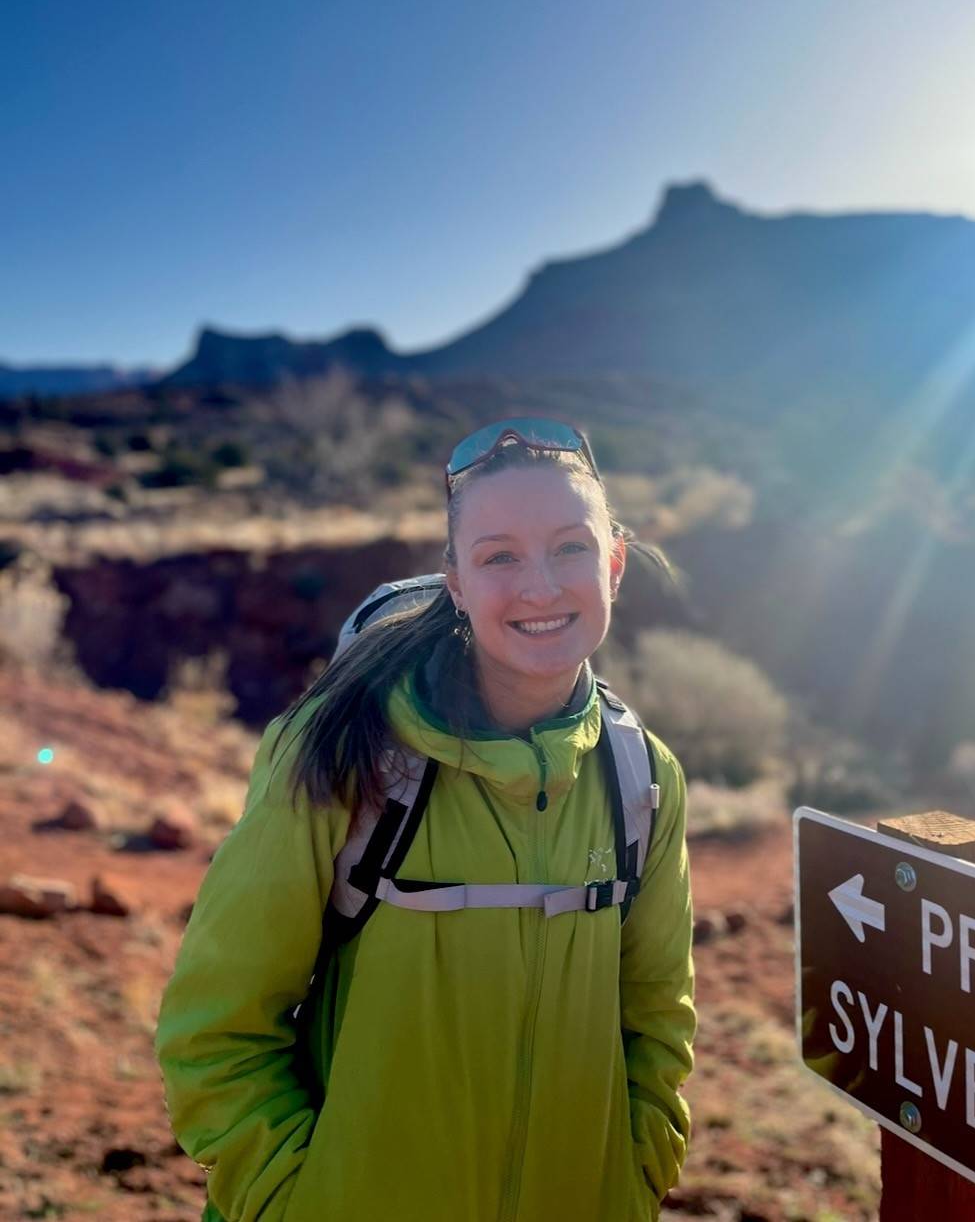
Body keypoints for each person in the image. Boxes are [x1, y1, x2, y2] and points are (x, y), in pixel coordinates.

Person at [155, 418, 696, 1222]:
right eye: (499, 556)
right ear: (456, 584)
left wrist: (632, 1180)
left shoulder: (642, 775)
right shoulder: (346, 751)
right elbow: (216, 1031)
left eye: (571, 548)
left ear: (613, 564)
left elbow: (657, 1020)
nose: (541, 586)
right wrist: (296, 1201)